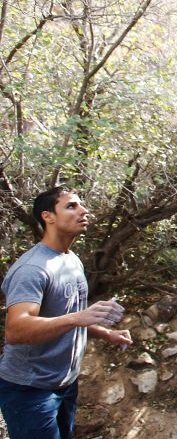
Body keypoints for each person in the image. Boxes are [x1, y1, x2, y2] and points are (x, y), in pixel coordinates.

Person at [0, 185, 131, 439]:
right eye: (71, 206)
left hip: (65, 383)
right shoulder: (33, 268)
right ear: (48, 216)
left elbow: (68, 316)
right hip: (29, 389)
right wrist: (78, 317)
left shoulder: (71, 260)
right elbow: (16, 330)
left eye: (81, 205)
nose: (84, 211)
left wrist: (106, 333)